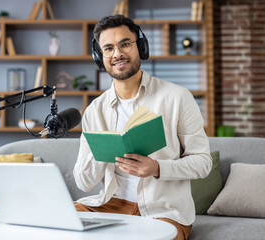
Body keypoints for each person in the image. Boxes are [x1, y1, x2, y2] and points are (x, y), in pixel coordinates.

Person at [73, 14, 212, 240]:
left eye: (125, 44)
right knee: (54, 226)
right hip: (109, 205)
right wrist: (102, 153)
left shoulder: (177, 97)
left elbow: (203, 163)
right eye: (108, 48)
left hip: (163, 212)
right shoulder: (94, 111)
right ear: (100, 57)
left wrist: (157, 168)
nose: (117, 54)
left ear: (141, 47)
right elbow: (84, 183)